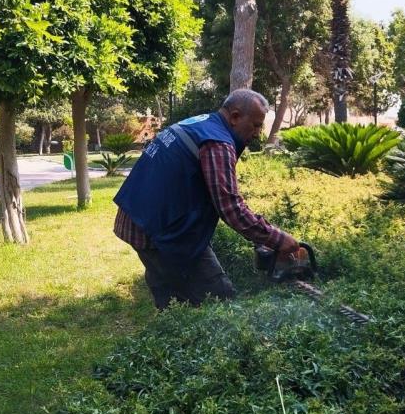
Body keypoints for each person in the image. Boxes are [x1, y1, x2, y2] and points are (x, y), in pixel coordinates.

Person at [113, 89, 300, 309]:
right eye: (256, 125)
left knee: (170, 292)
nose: (258, 133)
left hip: (140, 216)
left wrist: (261, 236)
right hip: (154, 228)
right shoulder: (217, 142)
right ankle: (187, 330)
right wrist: (279, 239)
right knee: (219, 299)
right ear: (235, 116)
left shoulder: (203, 124)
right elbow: (231, 208)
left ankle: (173, 328)